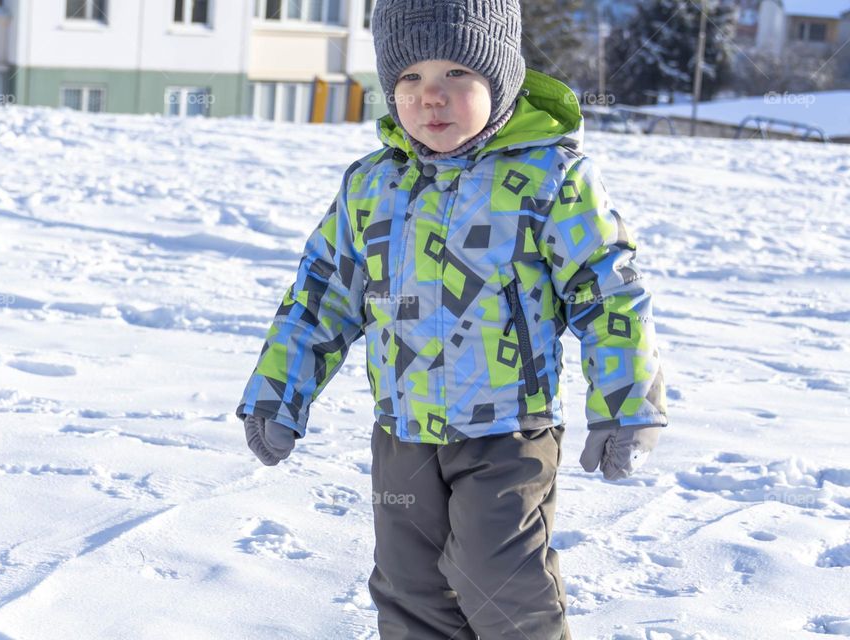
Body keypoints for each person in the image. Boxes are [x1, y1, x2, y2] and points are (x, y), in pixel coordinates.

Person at [236, 0, 669, 637]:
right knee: (409, 587)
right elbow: (321, 296)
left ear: (501, 81)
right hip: (402, 432)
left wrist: (626, 402)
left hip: (507, 432)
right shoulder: (369, 186)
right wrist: (278, 395)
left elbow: (608, 295)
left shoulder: (553, 178)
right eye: (409, 79)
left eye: (456, 76)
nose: (430, 98)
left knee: (499, 579)